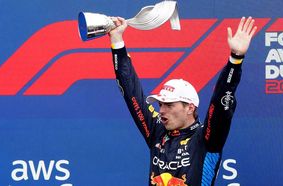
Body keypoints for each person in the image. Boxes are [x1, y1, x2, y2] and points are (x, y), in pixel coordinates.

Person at [108, 16, 257, 186]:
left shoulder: (206, 139)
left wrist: (235, 61)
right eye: (161, 104)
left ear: (190, 108)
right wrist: (117, 40)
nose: (162, 110)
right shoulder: (157, 132)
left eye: (170, 105)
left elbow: (220, 104)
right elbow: (131, 91)